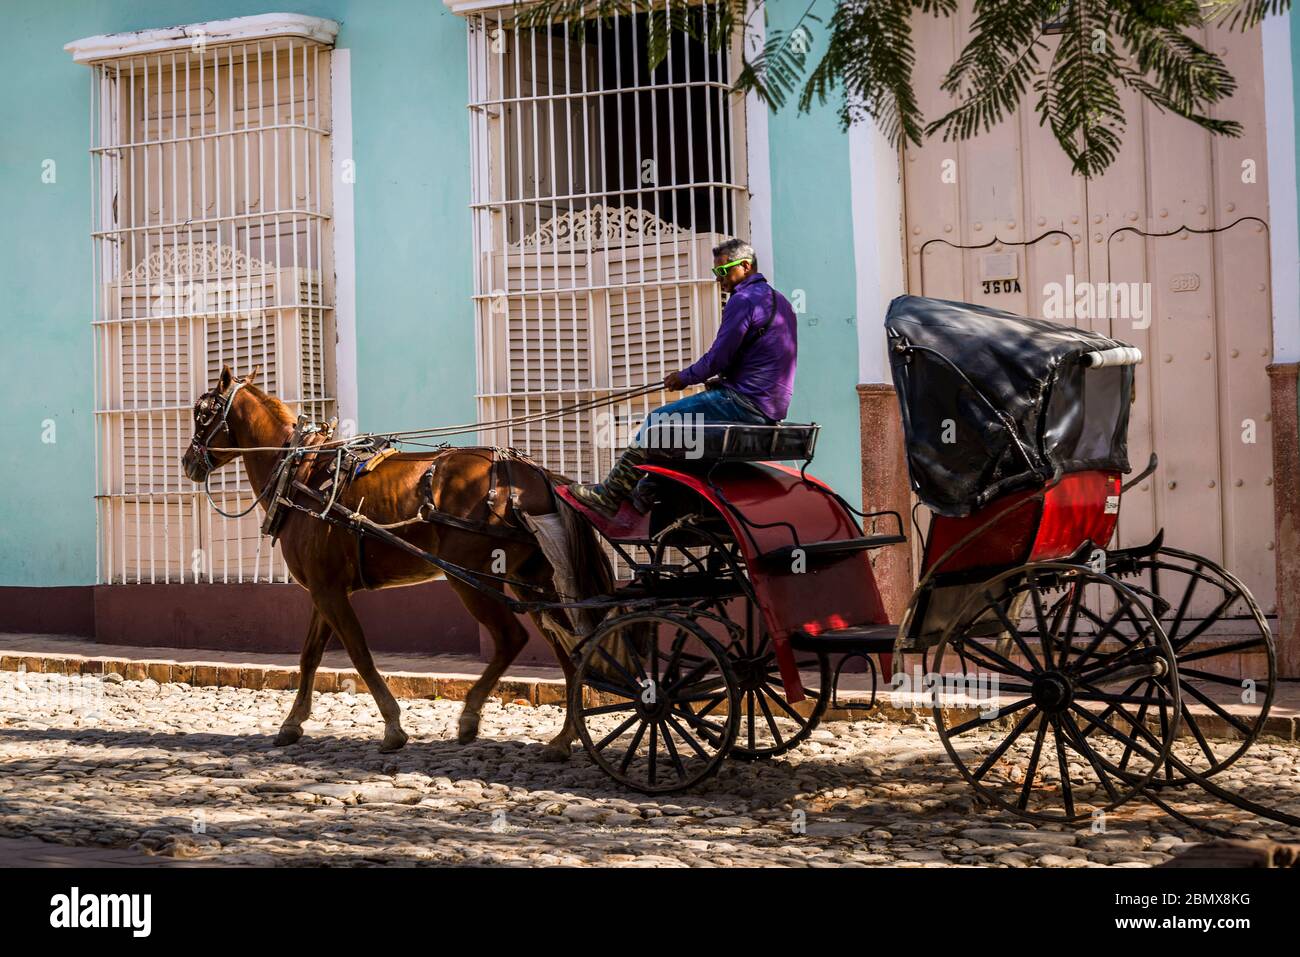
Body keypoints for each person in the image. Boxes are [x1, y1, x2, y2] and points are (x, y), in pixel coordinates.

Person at [567, 238, 798, 516]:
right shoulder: (780, 300)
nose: (719, 280)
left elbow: (718, 357)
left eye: (723, 271)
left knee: (658, 422)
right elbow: (757, 356)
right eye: (716, 273)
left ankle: (610, 495)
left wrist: (684, 377)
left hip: (743, 402)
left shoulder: (743, 300)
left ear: (745, 267)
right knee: (682, 434)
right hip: (768, 406)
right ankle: (649, 490)